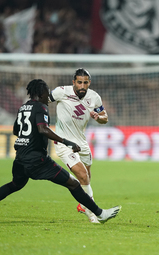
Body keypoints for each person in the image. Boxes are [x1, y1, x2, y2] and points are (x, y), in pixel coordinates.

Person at [0, 79, 121, 224]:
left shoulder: (23, 107)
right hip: (37, 160)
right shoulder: (41, 107)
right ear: (41, 93)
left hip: (20, 157)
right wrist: (66, 142)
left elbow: (16, 130)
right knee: (73, 183)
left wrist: (28, 139)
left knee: (15, 184)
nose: (48, 95)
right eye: (46, 91)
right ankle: (100, 213)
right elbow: (43, 129)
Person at [49, 68, 108, 223]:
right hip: (63, 143)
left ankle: (83, 205)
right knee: (82, 175)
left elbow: (105, 118)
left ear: (89, 83)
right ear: (73, 82)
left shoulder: (94, 97)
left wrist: (98, 117)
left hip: (81, 142)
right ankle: (93, 212)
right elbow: (43, 100)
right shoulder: (61, 92)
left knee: (87, 176)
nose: (82, 86)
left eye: (85, 83)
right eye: (79, 82)